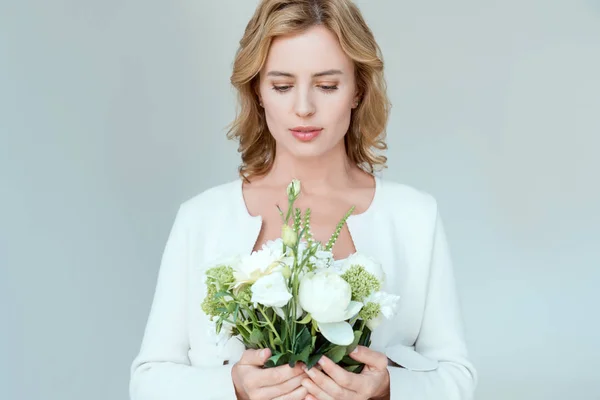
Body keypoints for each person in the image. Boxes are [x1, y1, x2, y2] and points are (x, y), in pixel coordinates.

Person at [129, 0, 477, 399]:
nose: (304, 108)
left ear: (358, 90)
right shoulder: (201, 219)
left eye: (327, 85)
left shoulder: (414, 217)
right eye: (282, 86)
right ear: (257, 91)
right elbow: (148, 381)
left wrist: (389, 389)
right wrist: (232, 388)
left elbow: (456, 378)